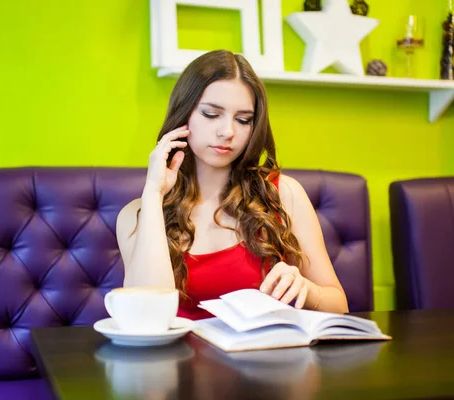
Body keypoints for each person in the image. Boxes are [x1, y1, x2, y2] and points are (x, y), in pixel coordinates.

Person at [116, 49, 348, 320]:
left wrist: (306, 290)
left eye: (243, 120)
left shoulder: (282, 194)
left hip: (264, 358)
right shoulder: (137, 214)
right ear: (184, 114)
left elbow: (339, 304)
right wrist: (154, 193)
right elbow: (145, 316)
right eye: (211, 114)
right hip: (177, 361)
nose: (227, 131)